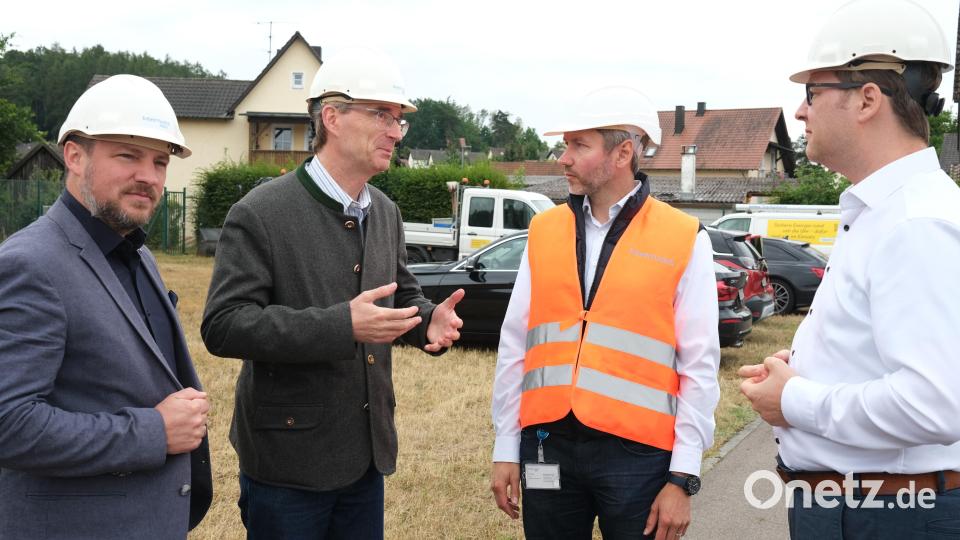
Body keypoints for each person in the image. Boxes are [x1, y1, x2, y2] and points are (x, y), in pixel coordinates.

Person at [201, 47, 464, 539]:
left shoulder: (384, 209)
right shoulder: (260, 212)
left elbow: (399, 291)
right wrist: (342, 325)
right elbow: (224, 324)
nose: (395, 130)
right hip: (287, 463)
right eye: (382, 114)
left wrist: (427, 319)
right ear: (332, 117)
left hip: (366, 455)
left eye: (400, 119)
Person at [739, 0, 960, 537]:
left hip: (886, 514)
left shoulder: (915, 222)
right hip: (868, 506)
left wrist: (793, 398)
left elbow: (934, 403)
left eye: (812, 93)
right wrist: (814, 365)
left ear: (866, 100)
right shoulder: (890, 211)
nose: (800, 112)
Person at [490, 86, 721, 540]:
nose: (563, 157)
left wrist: (682, 477)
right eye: (565, 144)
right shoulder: (543, 230)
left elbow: (700, 366)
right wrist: (505, 446)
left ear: (623, 153)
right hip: (547, 446)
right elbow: (515, 344)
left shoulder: (685, 238)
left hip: (638, 457)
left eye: (579, 145)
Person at [0, 74, 212, 539]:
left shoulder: (136, 254)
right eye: (127, 155)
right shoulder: (30, 264)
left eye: (160, 161)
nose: (149, 177)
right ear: (75, 156)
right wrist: (154, 431)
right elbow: (10, 424)